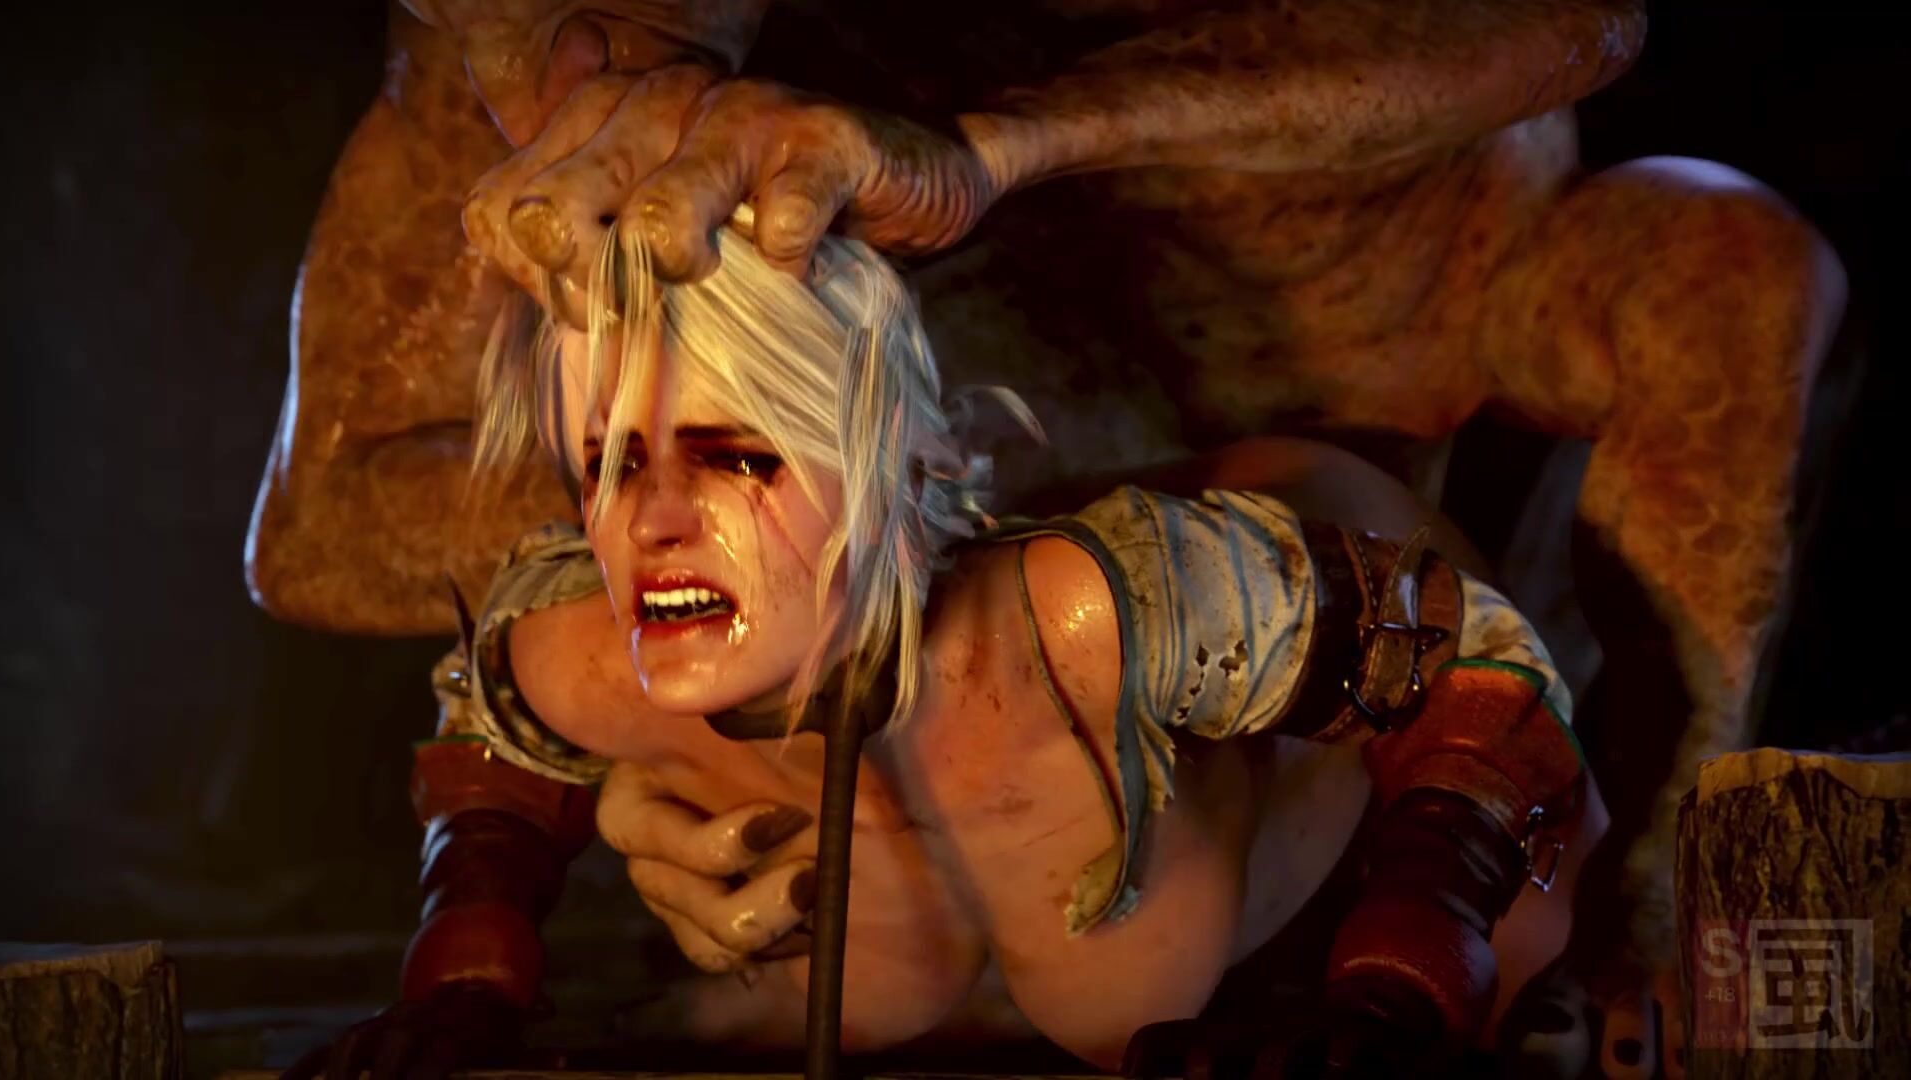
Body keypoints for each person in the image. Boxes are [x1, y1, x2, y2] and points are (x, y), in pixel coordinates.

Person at [289, 220, 1600, 1078]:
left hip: (1353, 654)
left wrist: (1401, 981)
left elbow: (1480, 667)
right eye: (607, 463)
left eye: (738, 457)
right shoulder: (575, 655)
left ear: (898, 470)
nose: (651, 522)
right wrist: (464, 985)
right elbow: (492, 748)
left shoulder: (1088, 620)